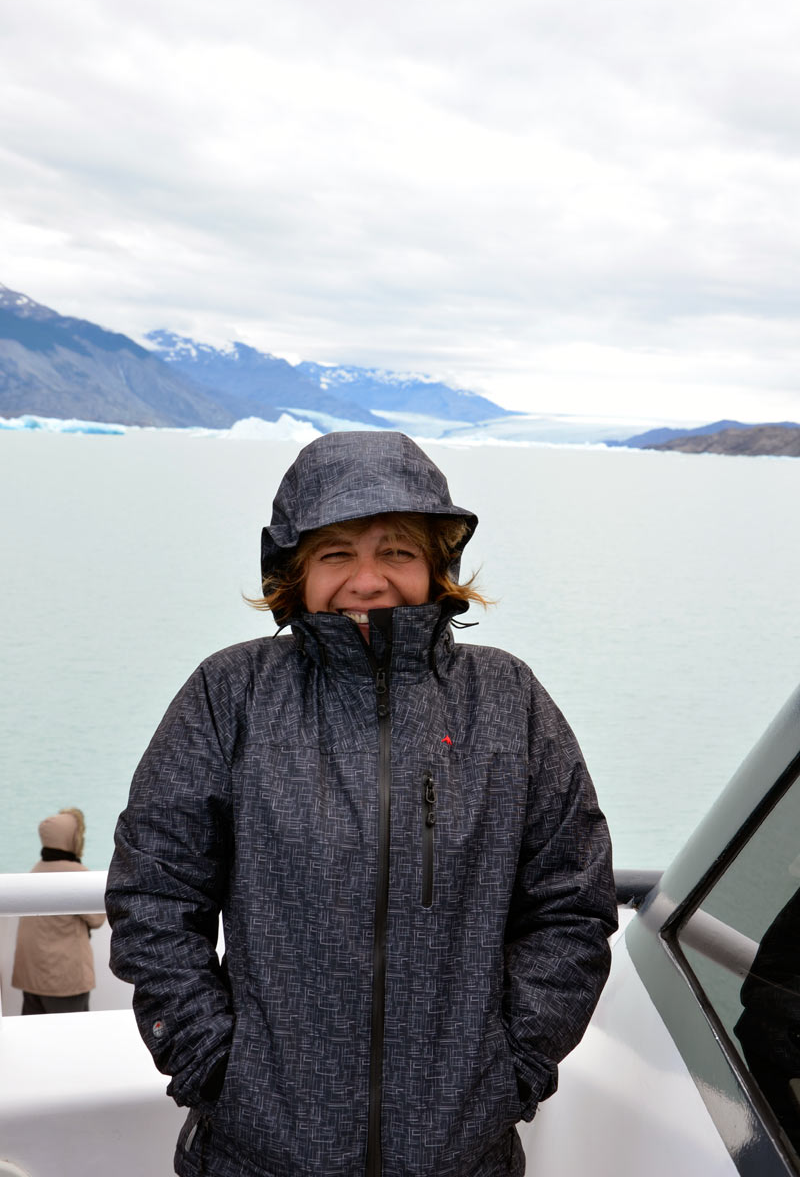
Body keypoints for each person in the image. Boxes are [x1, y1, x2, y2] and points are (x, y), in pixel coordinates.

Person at [105, 430, 617, 1177]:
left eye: (397, 551)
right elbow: (155, 893)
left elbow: (571, 902)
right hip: (255, 1153)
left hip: (463, 1156)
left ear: (437, 567)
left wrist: (512, 1066)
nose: (368, 580)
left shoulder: (508, 699)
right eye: (336, 553)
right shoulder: (231, 693)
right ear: (296, 572)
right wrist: (213, 1063)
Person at [12, 808, 106, 1014]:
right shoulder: (76, 875)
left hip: (31, 976)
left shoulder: (35, 871)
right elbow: (98, 918)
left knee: (35, 1031)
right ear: (73, 839)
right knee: (72, 1031)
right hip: (64, 978)